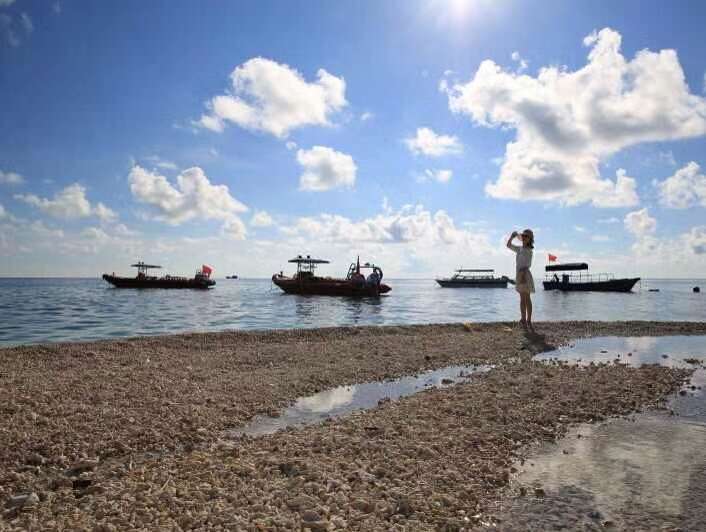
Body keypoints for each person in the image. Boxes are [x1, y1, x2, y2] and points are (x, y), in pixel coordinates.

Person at [506, 229, 535, 330]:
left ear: (530, 239)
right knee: (522, 298)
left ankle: (528, 320)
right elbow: (508, 245)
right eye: (523, 235)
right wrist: (512, 236)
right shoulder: (520, 249)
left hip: (525, 274)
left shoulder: (529, 250)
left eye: (526, 236)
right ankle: (523, 319)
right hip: (519, 274)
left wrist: (522, 275)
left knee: (527, 298)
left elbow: (528, 264)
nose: (524, 237)